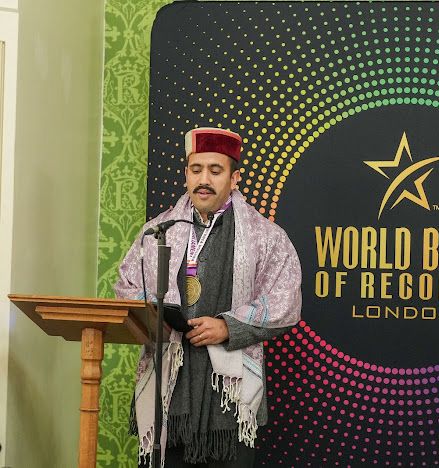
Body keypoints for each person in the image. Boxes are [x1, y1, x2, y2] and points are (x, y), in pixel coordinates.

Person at [115, 127, 302, 467]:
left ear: (234, 178)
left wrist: (229, 327)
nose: (204, 180)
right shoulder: (157, 232)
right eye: (196, 169)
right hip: (169, 388)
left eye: (215, 171)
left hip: (229, 397)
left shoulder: (264, 237)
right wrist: (157, 318)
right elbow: (127, 285)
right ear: (186, 174)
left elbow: (285, 301)